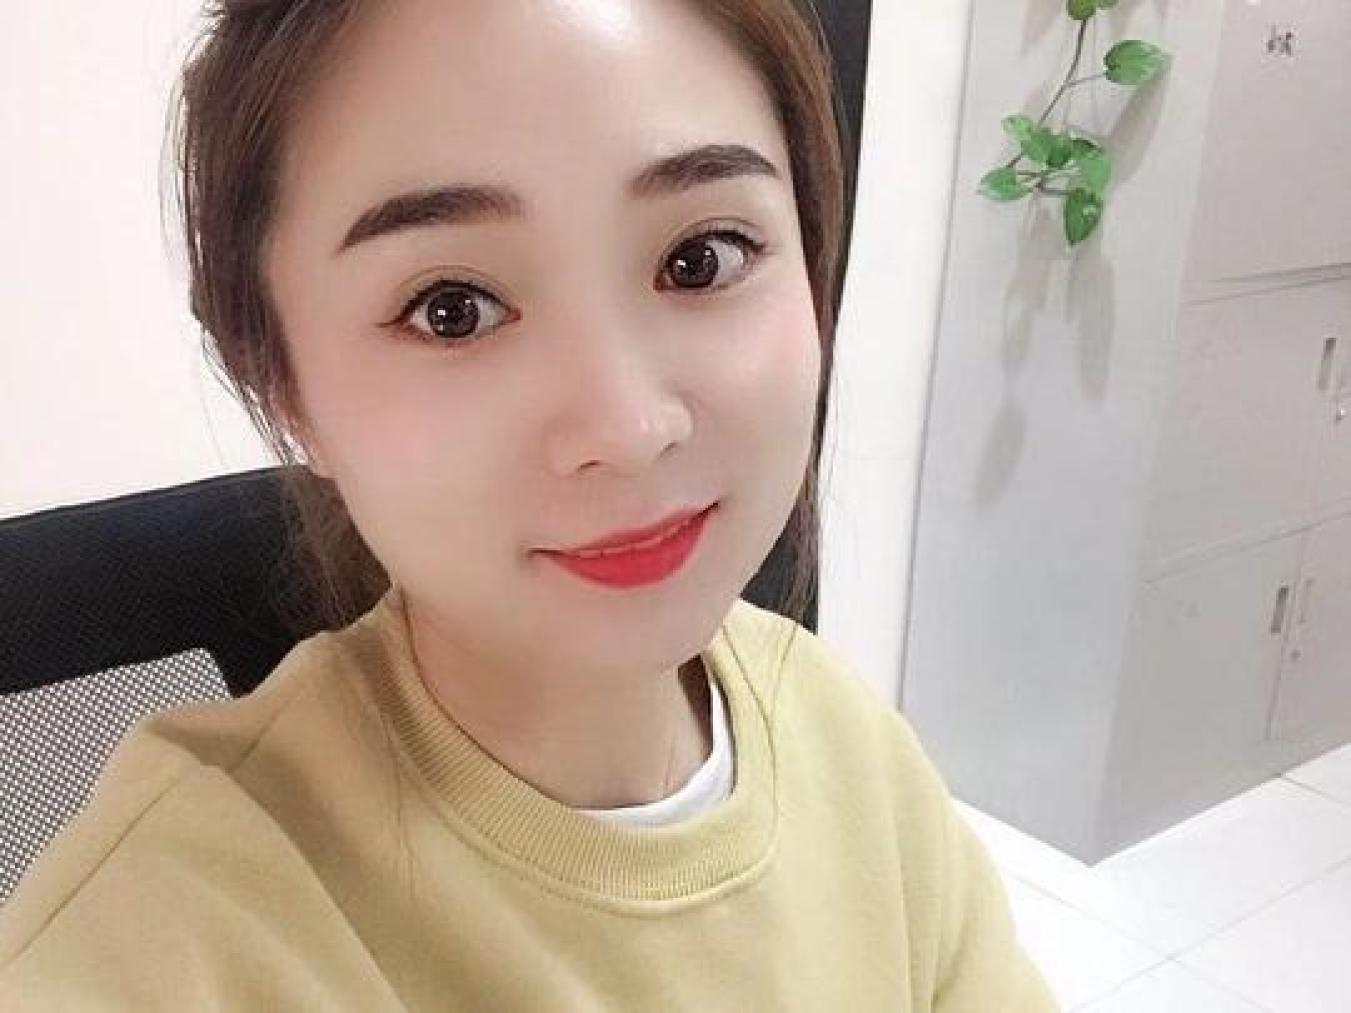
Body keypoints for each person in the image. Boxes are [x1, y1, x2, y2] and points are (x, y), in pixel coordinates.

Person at [0, 0, 1060, 1008]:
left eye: (700, 259)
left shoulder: (850, 748)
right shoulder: (168, 935)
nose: (628, 426)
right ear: (283, 388)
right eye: (452, 310)